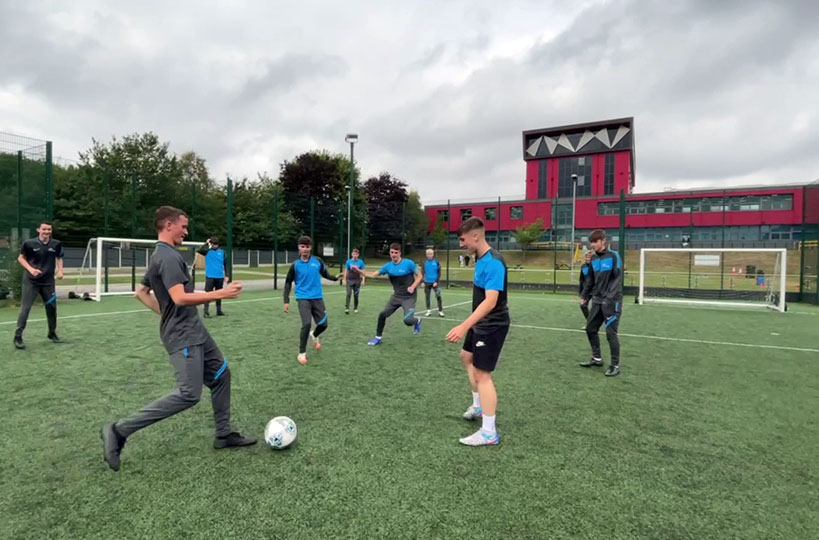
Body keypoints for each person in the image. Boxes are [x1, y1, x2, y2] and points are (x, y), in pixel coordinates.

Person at [101, 206, 255, 472]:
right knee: (189, 394)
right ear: (168, 225)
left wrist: (166, 313)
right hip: (183, 335)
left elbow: (141, 292)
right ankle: (118, 430)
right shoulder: (169, 257)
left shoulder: (162, 254)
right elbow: (180, 298)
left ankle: (224, 434)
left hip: (193, 329)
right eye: (183, 226)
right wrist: (222, 294)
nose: (186, 231)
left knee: (221, 375)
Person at [445, 217, 510, 446]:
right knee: (466, 357)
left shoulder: (493, 262)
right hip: (480, 323)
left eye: (463, 240)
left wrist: (463, 326)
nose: (462, 244)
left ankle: (489, 432)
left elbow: (491, 301)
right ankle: (479, 406)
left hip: (492, 324)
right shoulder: (480, 260)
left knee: (483, 375)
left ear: (476, 236)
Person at [283, 236, 340, 364]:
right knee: (306, 324)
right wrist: (286, 301)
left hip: (317, 297)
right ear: (299, 248)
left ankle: (314, 335)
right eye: (302, 247)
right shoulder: (295, 265)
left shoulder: (317, 261)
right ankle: (301, 353)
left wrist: (336, 278)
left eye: (307, 247)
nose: (305, 249)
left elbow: (325, 274)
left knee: (323, 324)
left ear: (311, 248)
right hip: (303, 298)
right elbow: (288, 283)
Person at [354, 243, 422, 345]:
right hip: (396, 296)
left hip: (409, 297)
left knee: (408, 321)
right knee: (382, 314)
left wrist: (413, 286)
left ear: (400, 253)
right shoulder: (388, 266)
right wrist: (358, 271)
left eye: (396, 252)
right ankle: (378, 338)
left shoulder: (409, 263)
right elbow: (373, 275)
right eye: (391, 252)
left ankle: (417, 321)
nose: (393, 254)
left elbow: (420, 276)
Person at [579, 229, 623, 377]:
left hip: (612, 302)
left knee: (611, 334)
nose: (592, 245)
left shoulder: (614, 256)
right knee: (590, 328)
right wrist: (584, 295)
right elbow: (590, 279)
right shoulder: (593, 259)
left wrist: (609, 299)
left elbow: (617, 280)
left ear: (603, 241)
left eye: (595, 242)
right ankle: (597, 358)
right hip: (597, 300)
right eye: (591, 242)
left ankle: (615, 365)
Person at [14, 221, 64, 350]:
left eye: (49, 230)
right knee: (25, 309)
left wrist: (60, 270)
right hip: (31, 281)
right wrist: (31, 270)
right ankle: (18, 337)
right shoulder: (29, 243)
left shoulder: (56, 244)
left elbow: (59, 257)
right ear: (38, 229)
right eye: (44, 229)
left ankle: (52, 333)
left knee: (52, 308)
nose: (46, 232)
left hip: (48, 282)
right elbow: (20, 258)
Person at [197, 236, 229, 318]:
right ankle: (206, 312)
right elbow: (199, 250)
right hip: (210, 276)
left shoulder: (222, 252)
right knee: (208, 294)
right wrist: (206, 243)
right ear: (211, 244)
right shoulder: (207, 251)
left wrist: (227, 275)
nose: (215, 245)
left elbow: (225, 264)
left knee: (219, 294)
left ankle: (219, 310)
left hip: (219, 277)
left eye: (216, 244)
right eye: (213, 244)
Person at [422, 248, 444, 317]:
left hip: (435, 283)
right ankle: (428, 311)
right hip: (427, 282)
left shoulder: (436, 262)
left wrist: (436, 281)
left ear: (433, 254)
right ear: (426, 255)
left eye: (430, 254)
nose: (429, 255)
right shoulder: (424, 263)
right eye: (428, 254)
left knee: (438, 296)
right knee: (427, 297)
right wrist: (422, 281)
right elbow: (422, 273)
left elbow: (439, 273)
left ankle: (440, 311)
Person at [343, 247, 366, 314]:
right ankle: (347, 308)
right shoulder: (348, 261)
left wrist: (363, 280)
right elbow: (346, 271)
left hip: (357, 280)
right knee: (348, 293)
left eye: (356, 254)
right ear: (351, 254)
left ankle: (355, 308)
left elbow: (363, 271)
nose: (355, 255)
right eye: (354, 254)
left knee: (356, 295)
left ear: (358, 255)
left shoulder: (361, 262)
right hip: (349, 280)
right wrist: (344, 279)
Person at [578, 249, 592, 321]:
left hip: (596, 291)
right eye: (586, 257)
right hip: (587, 291)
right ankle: (590, 322)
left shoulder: (596, 266)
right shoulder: (583, 266)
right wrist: (580, 292)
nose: (587, 258)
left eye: (589, 257)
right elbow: (581, 279)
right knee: (583, 305)